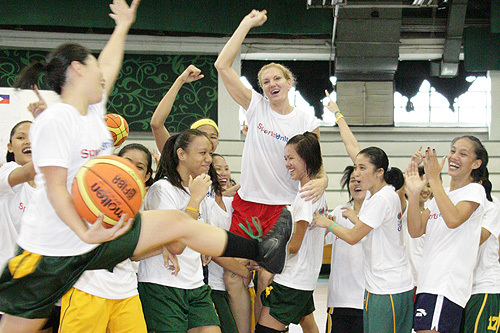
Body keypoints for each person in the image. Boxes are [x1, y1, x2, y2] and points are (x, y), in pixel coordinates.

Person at [0, 1, 291, 331]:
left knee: (178, 223)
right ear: (78, 70)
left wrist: (123, 26)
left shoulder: (91, 114)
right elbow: (53, 188)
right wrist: (83, 230)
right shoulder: (55, 120)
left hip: (99, 233)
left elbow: (108, 64)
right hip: (52, 248)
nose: (103, 74)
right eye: (93, 67)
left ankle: (263, 250)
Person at [214, 9, 328, 318]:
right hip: (249, 204)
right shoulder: (255, 107)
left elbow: (317, 166)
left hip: (283, 210)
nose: (270, 83)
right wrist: (246, 24)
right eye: (264, 81)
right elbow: (222, 66)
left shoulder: (306, 119)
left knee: (269, 279)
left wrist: (325, 180)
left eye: (276, 78)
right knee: (235, 275)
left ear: (289, 83)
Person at [313, 146, 414, 333]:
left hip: (387, 288)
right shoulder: (382, 196)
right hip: (390, 285)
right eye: (355, 167)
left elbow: (353, 237)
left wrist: (327, 223)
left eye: (362, 168)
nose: (357, 174)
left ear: (379, 172)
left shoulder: (381, 199)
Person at [58, 143, 153, 333]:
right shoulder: (90, 193)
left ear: (146, 176)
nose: (132, 169)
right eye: (127, 162)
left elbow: (133, 251)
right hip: (87, 287)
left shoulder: (140, 208)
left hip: (126, 290)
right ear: (115, 163)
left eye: (140, 166)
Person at [405, 135, 488, 333]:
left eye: (463, 153)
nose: (454, 156)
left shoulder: (475, 191)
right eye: (452, 151)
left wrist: (434, 180)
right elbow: (415, 230)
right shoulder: (443, 194)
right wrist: (414, 194)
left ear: (476, 163)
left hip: (445, 286)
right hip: (428, 284)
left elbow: (453, 219)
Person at [257, 132, 327, 333]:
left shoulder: (306, 196)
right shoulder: (315, 191)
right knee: (308, 324)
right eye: (285, 159)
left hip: (292, 279)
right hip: (305, 277)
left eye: (291, 158)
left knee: (265, 330)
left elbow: (294, 245)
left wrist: (264, 257)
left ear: (306, 159)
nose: (287, 164)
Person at [209, 153, 256, 333]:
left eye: (226, 168)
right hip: (215, 286)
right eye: (217, 168)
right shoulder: (205, 205)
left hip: (243, 286)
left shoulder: (232, 203)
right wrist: (243, 271)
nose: (223, 173)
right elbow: (212, 251)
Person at [325, 166, 366, 333]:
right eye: (351, 181)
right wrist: (326, 227)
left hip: (366, 300)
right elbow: (321, 241)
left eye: (359, 180)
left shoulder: (376, 214)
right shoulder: (339, 212)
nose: (355, 184)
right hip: (338, 301)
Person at [460, 179, 500, 333]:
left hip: (484, 286)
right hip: (461, 288)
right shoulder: (459, 205)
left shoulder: (492, 206)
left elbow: (480, 238)